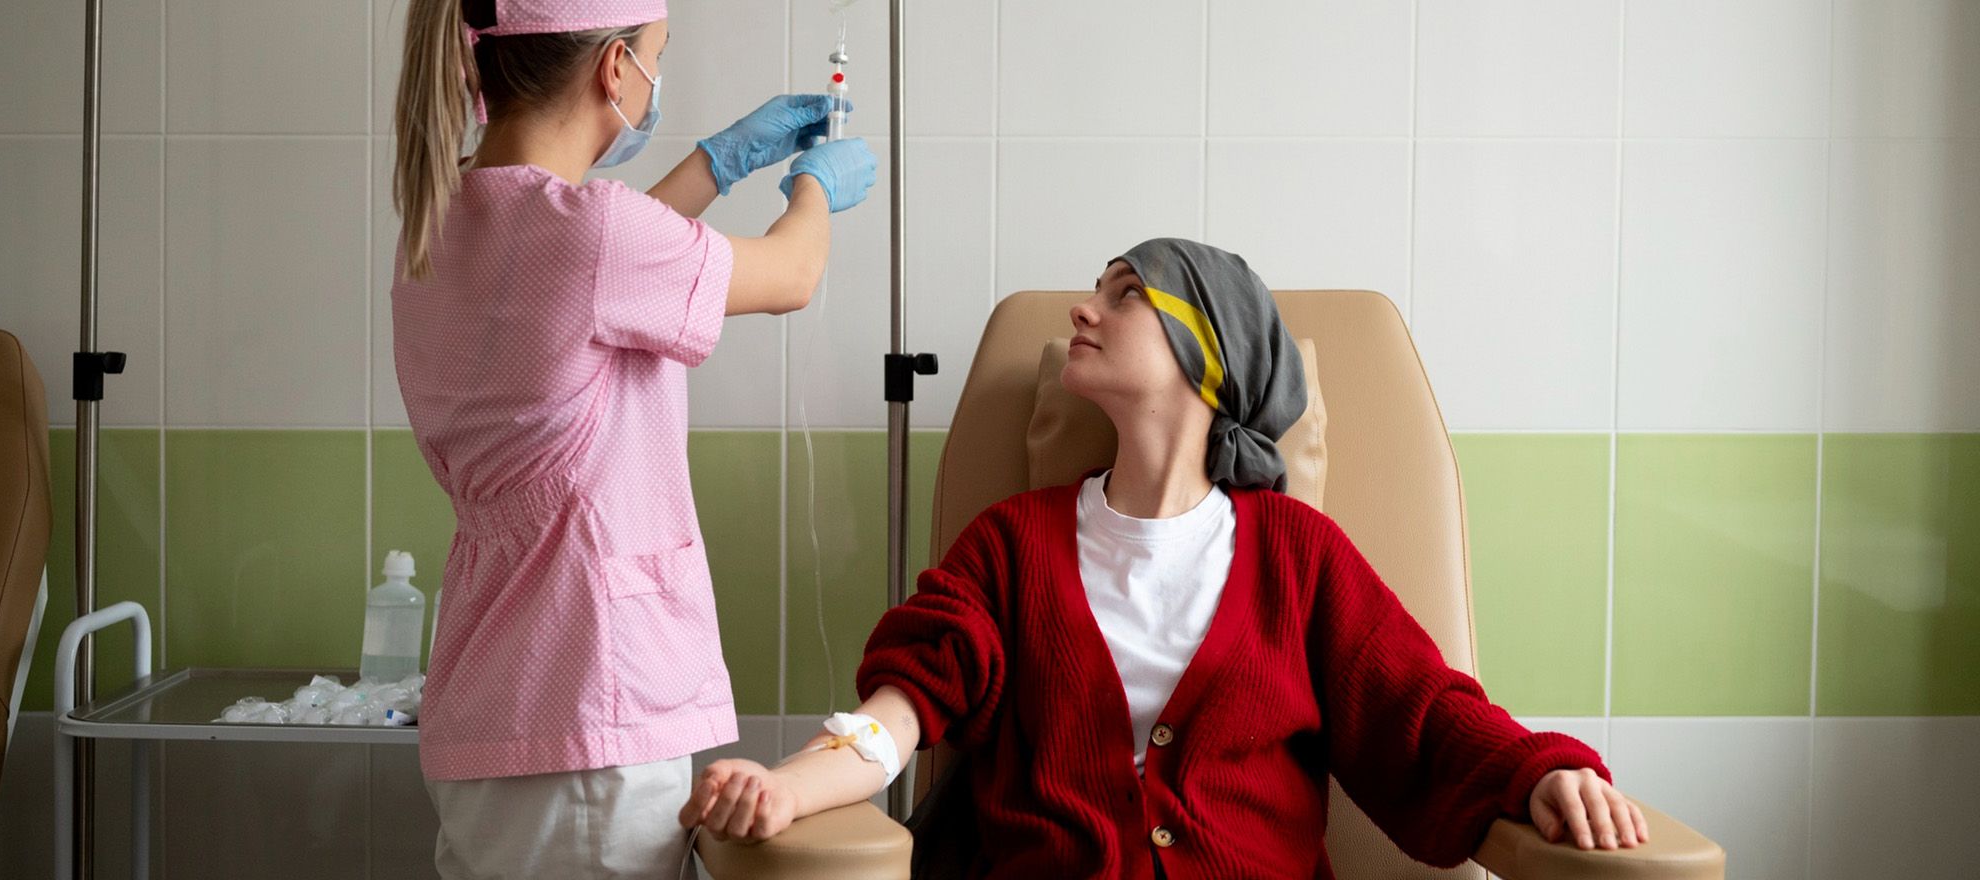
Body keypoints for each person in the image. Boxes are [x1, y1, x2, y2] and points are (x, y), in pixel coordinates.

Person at [678, 239, 1650, 879]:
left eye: (1125, 295)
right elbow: (897, 716)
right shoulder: (1011, 545)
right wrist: (790, 783)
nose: (1083, 311)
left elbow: (1422, 712)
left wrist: (1538, 774)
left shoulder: (1298, 554)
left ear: (1209, 354)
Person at [388, 0, 877, 876]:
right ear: (615, 68)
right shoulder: (593, 236)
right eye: (657, 55)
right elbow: (791, 273)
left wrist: (716, 163)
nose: (656, 77)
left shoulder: (444, 220)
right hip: (587, 715)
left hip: (487, 709)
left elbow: (592, 275)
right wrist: (815, 184)